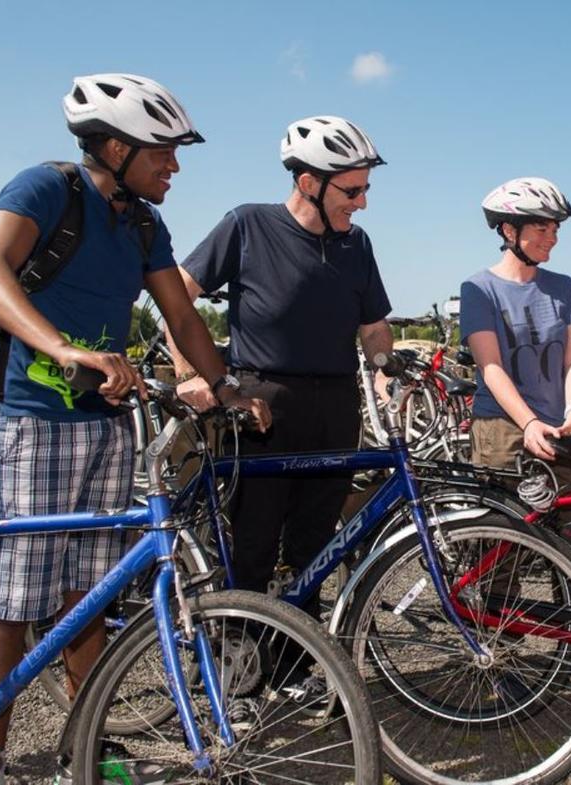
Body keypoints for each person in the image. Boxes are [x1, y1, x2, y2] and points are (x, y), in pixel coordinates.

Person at [0, 73, 269, 784]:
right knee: (12, 600)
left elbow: (184, 316)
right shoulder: (46, 189)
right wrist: (64, 348)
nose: (174, 165)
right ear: (116, 147)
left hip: (106, 423)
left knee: (88, 596)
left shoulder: (142, 223)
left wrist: (223, 386)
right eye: (162, 150)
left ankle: (86, 741)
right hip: (31, 418)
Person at [165, 116, 394, 622]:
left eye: (365, 189)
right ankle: (237, 657)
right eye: (352, 191)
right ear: (308, 183)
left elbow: (374, 325)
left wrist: (383, 368)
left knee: (316, 547)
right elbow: (176, 296)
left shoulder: (358, 245)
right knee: (254, 541)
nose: (362, 203)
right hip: (261, 404)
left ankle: (298, 666)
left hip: (335, 406)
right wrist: (191, 376)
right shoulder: (248, 224)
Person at [460, 178, 571, 475]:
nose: (552, 237)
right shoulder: (479, 288)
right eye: (542, 228)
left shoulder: (565, 287)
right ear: (509, 230)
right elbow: (490, 365)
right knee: (506, 520)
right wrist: (528, 422)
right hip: (502, 428)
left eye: (555, 229)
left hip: (558, 425)